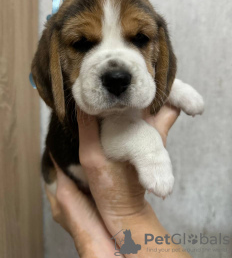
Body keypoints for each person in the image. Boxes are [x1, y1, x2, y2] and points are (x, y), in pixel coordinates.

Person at [46, 104, 192, 258]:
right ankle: (94, 236)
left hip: (73, 189)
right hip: (67, 176)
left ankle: (95, 239)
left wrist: (126, 214)